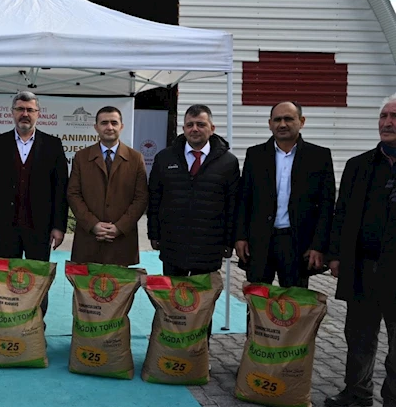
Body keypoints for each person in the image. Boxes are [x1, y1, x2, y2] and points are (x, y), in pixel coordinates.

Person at [323, 94, 396, 407]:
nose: (387, 122)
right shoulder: (359, 165)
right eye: (383, 116)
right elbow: (341, 214)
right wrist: (335, 255)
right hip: (363, 267)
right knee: (358, 335)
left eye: (394, 116)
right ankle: (357, 390)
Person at [0, 91, 68, 316]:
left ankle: (36, 325)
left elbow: (60, 190)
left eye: (30, 110)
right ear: (12, 112)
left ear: (38, 113)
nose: (25, 114)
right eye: (20, 109)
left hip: (40, 228)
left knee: (38, 280)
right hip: (5, 227)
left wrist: (58, 226)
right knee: (5, 280)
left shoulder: (53, 145)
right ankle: (6, 324)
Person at [235, 101, 335, 287]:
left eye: (288, 119)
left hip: (296, 243)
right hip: (260, 241)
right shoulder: (255, 155)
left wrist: (318, 245)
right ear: (270, 123)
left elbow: (326, 206)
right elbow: (244, 199)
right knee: (257, 298)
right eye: (277, 120)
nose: (282, 124)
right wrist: (240, 237)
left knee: (294, 300)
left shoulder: (318, 157)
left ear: (301, 121)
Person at [148, 104, 239, 276]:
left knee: (204, 293)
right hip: (173, 246)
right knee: (172, 293)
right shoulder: (164, 158)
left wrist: (229, 241)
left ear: (212, 129)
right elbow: (154, 199)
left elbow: (232, 205)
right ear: (183, 129)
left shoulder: (228, 162)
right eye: (190, 125)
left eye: (201, 124)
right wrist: (154, 233)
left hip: (209, 247)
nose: (195, 129)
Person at [68, 105, 148, 266]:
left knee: (120, 283)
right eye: (104, 123)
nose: (109, 127)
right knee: (86, 283)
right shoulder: (81, 157)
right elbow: (73, 194)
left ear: (121, 126)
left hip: (122, 241)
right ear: (96, 127)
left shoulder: (136, 158)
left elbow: (141, 198)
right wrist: (93, 224)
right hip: (89, 240)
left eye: (114, 122)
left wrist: (120, 227)